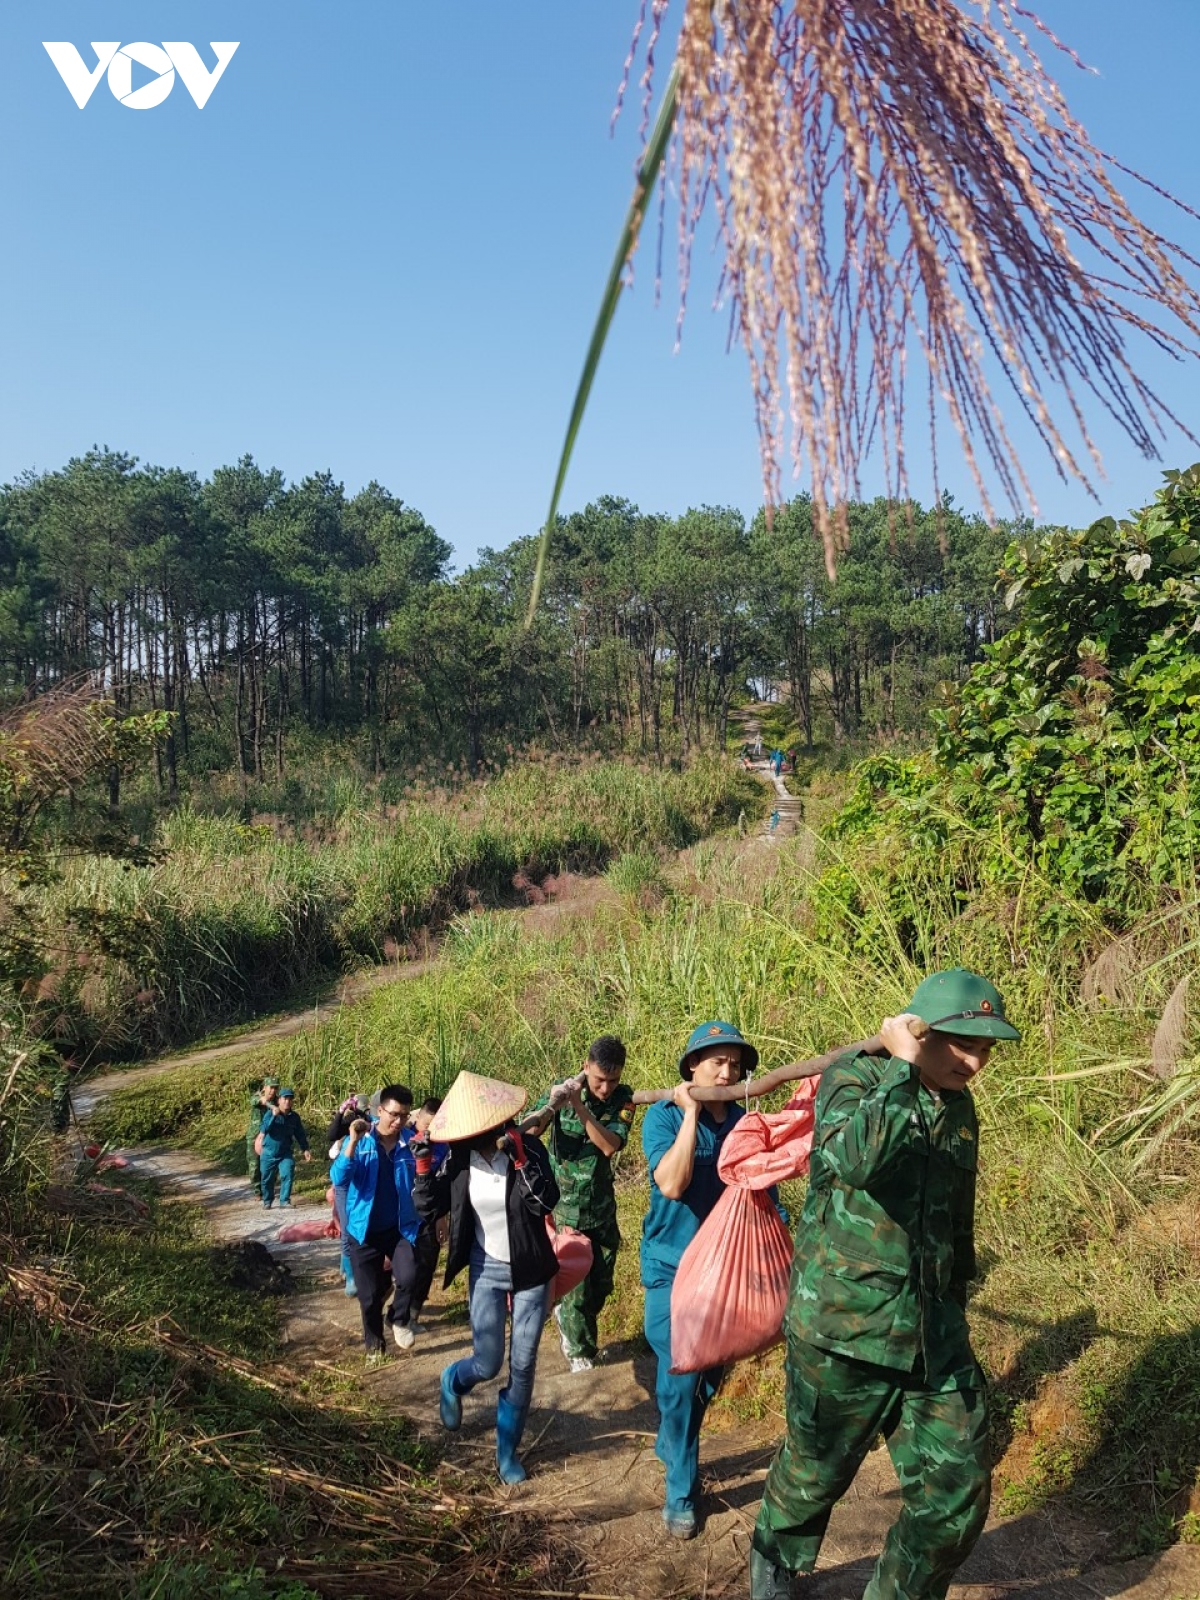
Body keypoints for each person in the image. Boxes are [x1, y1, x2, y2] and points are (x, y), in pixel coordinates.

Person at [748, 969, 1022, 1600]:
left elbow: (957, 1218)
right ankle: (775, 1576)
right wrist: (900, 1067)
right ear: (918, 1030)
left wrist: (955, 1301)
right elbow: (857, 1159)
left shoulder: (958, 1107)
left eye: (985, 1049)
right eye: (962, 1044)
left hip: (932, 1336)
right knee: (813, 1479)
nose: (975, 1063)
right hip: (845, 1329)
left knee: (957, 1495)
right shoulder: (856, 1080)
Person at [412, 1069, 559, 1485]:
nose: (482, 1136)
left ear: (501, 1120)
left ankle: (506, 1453)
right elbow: (428, 1207)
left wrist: (520, 1158)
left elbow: (546, 1200)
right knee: (488, 1361)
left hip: (531, 1268)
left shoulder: (526, 1146)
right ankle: (453, 1380)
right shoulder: (458, 1161)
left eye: (488, 1128)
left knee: (524, 1364)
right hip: (486, 1267)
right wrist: (424, 1165)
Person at [642, 1021, 758, 1541]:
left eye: (734, 1063)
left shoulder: (744, 1122)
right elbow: (671, 1183)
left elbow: (759, 1190)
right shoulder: (661, 1117)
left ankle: (672, 1434)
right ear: (692, 1067)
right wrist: (690, 1112)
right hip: (670, 1267)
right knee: (681, 1377)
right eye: (716, 1061)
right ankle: (681, 1492)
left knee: (709, 1372)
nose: (726, 1071)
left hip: (724, 1269)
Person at [525, 1035, 634, 1372]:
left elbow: (610, 1145)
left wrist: (581, 1107)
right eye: (600, 1079)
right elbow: (530, 1131)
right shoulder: (563, 1089)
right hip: (566, 1209)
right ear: (586, 1067)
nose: (606, 1087)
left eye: (612, 1080)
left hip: (600, 1208)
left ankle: (567, 1317)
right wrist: (553, 1105)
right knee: (580, 1289)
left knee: (602, 1284)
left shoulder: (624, 1098)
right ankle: (579, 1352)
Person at [330, 1083, 421, 1358]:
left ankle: (399, 1318)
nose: (398, 1121)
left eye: (404, 1115)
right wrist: (353, 1143)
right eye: (393, 1114)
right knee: (368, 1298)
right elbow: (339, 1178)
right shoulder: (360, 1140)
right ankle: (374, 1346)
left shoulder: (410, 1142)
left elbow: (428, 1172)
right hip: (363, 1230)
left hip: (399, 1227)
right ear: (379, 1110)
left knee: (409, 1275)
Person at [407, 1097, 448, 1330]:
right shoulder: (403, 1137)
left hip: (429, 1214)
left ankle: (412, 1315)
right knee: (402, 1266)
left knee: (427, 1262)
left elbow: (442, 1185)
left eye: (436, 1126)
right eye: (427, 1125)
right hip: (403, 1212)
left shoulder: (444, 1145)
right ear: (419, 1117)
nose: (430, 1131)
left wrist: (441, 1217)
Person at [327, 1093, 371, 1296]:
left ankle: (351, 1267)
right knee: (347, 1229)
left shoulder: (371, 1123)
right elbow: (332, 1135)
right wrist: (340, 1113)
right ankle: (351, 1277)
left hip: (362, 1177)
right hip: (344, 1181)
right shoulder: (348, 1121)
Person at [259, 1088, 312, 1207]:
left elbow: (300, 1134)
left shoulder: (294, 1117)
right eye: (285, 1099)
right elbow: (265, 1129)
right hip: (269, 1152)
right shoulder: (269, 1113)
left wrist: (305, 1149)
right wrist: (273, 1116)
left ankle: (284, 1200)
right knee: (267, 1179)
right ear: (279, 1100)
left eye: (290, 1099)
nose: (287, 1101)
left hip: (285, 1152)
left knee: (288, 1172)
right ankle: (267, 1200)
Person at [247, 1077, 279, 1189]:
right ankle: (257, 1189)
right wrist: (262, 1100)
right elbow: (253, 1101)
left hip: (271, 1137)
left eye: (275, 1088)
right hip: (255, 1135)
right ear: (265, 1087)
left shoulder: (277, 1101)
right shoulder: (257, 1097)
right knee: (255, 1164)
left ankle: (269, 1186)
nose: (273, 1090)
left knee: (272, 1164)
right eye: (271, 1087)